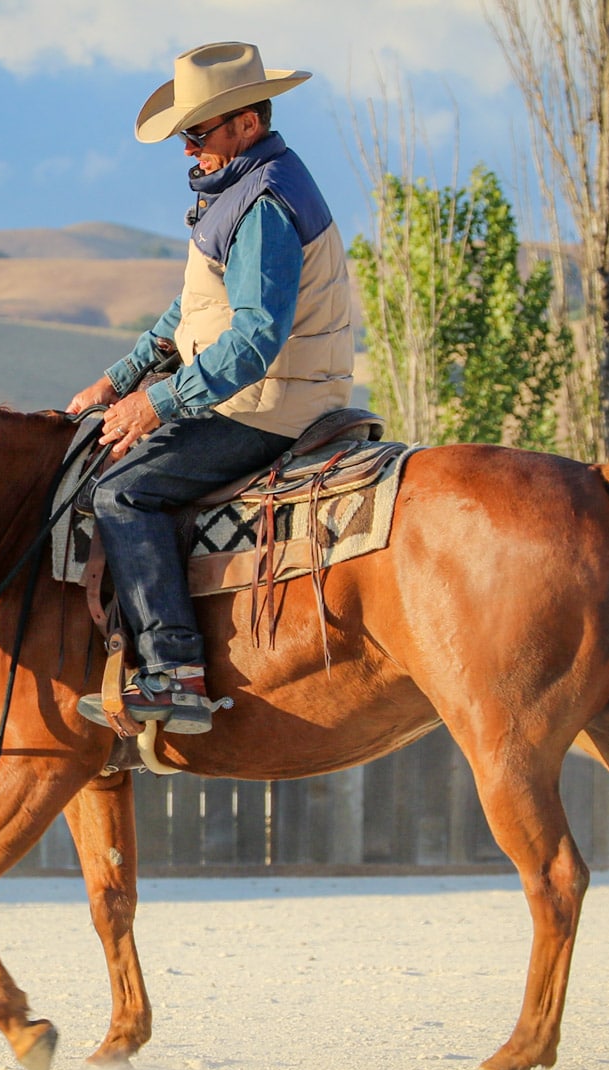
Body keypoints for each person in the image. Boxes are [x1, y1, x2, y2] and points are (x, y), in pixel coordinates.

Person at [67, 41, 355, 735]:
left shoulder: (262, 204)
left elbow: (255, 341)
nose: (187, 149)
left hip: (272, 404)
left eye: (197, 133)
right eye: (184, 135)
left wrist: (156, 402)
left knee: (121, 491)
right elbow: (195, 309)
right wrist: (120, 378)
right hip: (263, 393)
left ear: (247, 125)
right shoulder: (243, 190)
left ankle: (175, 674)